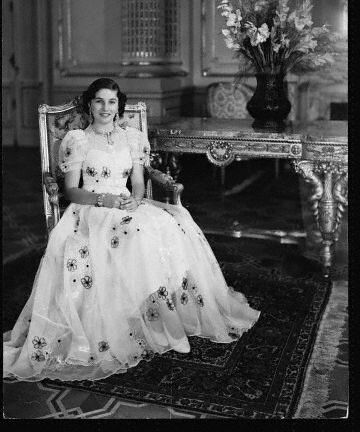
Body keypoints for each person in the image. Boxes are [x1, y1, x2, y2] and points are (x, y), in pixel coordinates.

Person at [3, 78, 260, 382]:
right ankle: (140, 323)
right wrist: (104, 199)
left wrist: (136, 200)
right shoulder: (78, 140)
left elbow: (138, 181)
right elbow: (72, 190)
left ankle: (160, 314)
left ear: (118, 105)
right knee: (136, 234)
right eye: (99, 101)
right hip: (92, 209)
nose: (106, 108)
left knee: (171, 222)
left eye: (112, 102)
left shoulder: (132, 139)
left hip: (127, 204)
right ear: (90, 105)